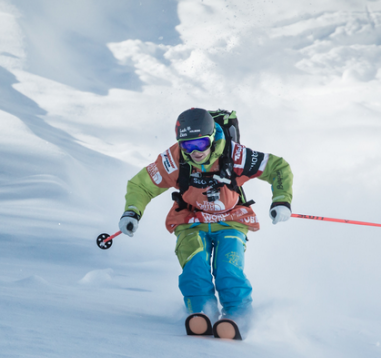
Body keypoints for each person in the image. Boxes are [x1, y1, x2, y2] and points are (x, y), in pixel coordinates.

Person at [119, 108, 293, 339]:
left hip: (231, 220)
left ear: (212, 137)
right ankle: (202, 312)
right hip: (191, 219)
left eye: (200, 144)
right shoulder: (174, 159)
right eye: (187, 145)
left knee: (228, 268)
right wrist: (132, 212)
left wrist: (281, 200)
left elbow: (278, 167)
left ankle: (238, 315)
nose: (195, 152)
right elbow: (141, 185)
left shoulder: (235, 155)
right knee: (195, 265)